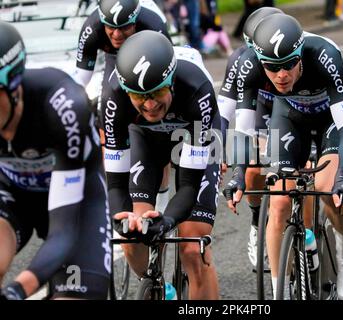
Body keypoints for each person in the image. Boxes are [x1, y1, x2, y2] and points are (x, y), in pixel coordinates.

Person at [223, 14, 343, 300]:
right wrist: (238, 175)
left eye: (288, 64)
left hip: (330, 119)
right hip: (290, 116)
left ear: (300, 56)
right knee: (280, 201)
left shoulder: (325, 56)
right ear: (261, 61)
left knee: (326, 187)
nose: (281, 74)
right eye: (272, 68)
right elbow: (244, 130)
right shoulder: (248, 65)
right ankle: (280, 293)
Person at [101, 30, 221, 299]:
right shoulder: (113, 98)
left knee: (192, 247)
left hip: (193, 133)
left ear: (172, 82)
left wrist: (167, 222)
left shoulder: (196, 89)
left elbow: (190, 186)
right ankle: (161, 289)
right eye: (139, 97)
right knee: (133, 238)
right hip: (146, 137)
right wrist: (126, 221)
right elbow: (116, 185)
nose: (150, 104)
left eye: (158, 92)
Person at [0, 21, 110, 300]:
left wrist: (17, 290)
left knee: (71, 297)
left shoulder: (64, 108)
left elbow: (64, 232)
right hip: (13, 194)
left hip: (77, 203)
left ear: (13, 85)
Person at [73, 0, 172, 214]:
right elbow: (80, 81)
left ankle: (162, 195)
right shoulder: (92, 27)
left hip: (150, 59)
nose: (117, 35)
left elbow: (168, 68)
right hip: (114, 61)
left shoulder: (153, 23)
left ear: (135, 20)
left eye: (124, 26)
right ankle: (118, 205)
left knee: (159, 126)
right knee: (106, 113)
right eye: (111, 27)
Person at [217, 6, 283, 268]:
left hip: (296, 107)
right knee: (253, 165)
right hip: (261, 108)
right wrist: (217, 147)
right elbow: (225, 110)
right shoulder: (241, 61)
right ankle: (257, 221)